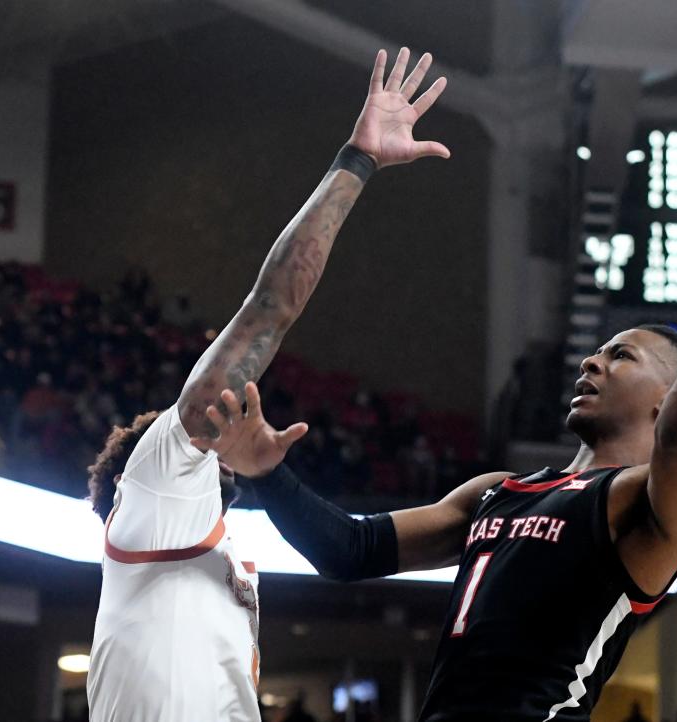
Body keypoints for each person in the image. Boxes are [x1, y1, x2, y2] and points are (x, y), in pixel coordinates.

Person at [197, 128, 677, 721]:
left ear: (666, 396)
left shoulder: (650, 503)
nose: (594, 360)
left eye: (621, 355)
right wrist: (270, 474)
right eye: (598, 351)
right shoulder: (499, 491)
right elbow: (350, 552)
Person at [84, 47, 450, 721]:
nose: (207, 435)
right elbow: (269, 307)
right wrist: (357, 162)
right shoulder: (157, 486)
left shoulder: (201, 554)